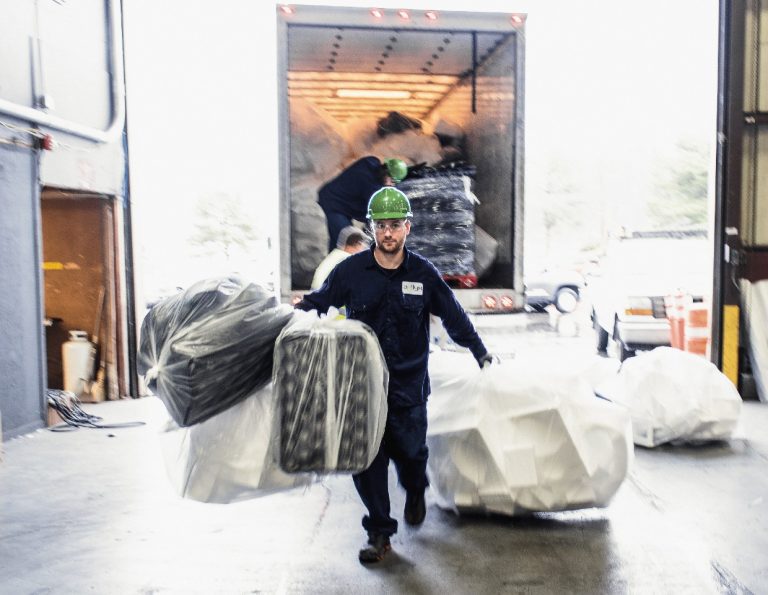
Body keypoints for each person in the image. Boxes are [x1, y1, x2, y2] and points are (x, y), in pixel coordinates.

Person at [296, 186, 494, 564]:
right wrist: (291, 317)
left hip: (408, 389)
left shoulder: (423, 272)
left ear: (408, 228)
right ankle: (379, 532)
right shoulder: (350, 272)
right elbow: (318, 303)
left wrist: (479, 351)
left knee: (411, 454)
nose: (388, 233)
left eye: (395, 226)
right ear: (371, 228)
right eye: (381, 226)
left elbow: (453, 317)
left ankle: (416, 489)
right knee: (366, 462)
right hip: (362, 387)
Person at [318, 157, 408, 251]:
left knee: (337, 242)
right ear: (386, 174)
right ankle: (338, 264)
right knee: (348, 242)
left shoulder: (370, 161)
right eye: (392, 181)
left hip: (338, 198)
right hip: (333, 203)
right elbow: (374, 218)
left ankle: (331, 264)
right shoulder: (372, 188)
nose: (392, 185)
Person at [310, 226, 370, 290]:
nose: (363, 249)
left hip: (317, 291)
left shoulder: (336, 254)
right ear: (357, 244)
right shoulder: (347, 258)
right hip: (325, 294)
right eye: (362, 246)